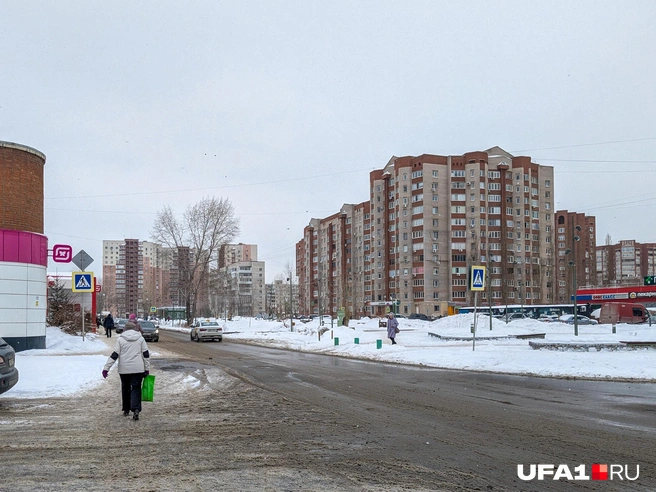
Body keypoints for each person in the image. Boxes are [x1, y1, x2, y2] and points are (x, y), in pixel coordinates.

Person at [102, 319, 150, 420]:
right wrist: (146, 368)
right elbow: (146, 354)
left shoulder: (120, 339)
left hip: (124, 369)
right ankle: (136, 409)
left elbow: (115, 355)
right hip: (138, 368)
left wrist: (106, 369)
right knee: (136, 388)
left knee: (126, 388)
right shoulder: (140, 339)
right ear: (135, 329)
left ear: (125, 329)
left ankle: (126, 409)